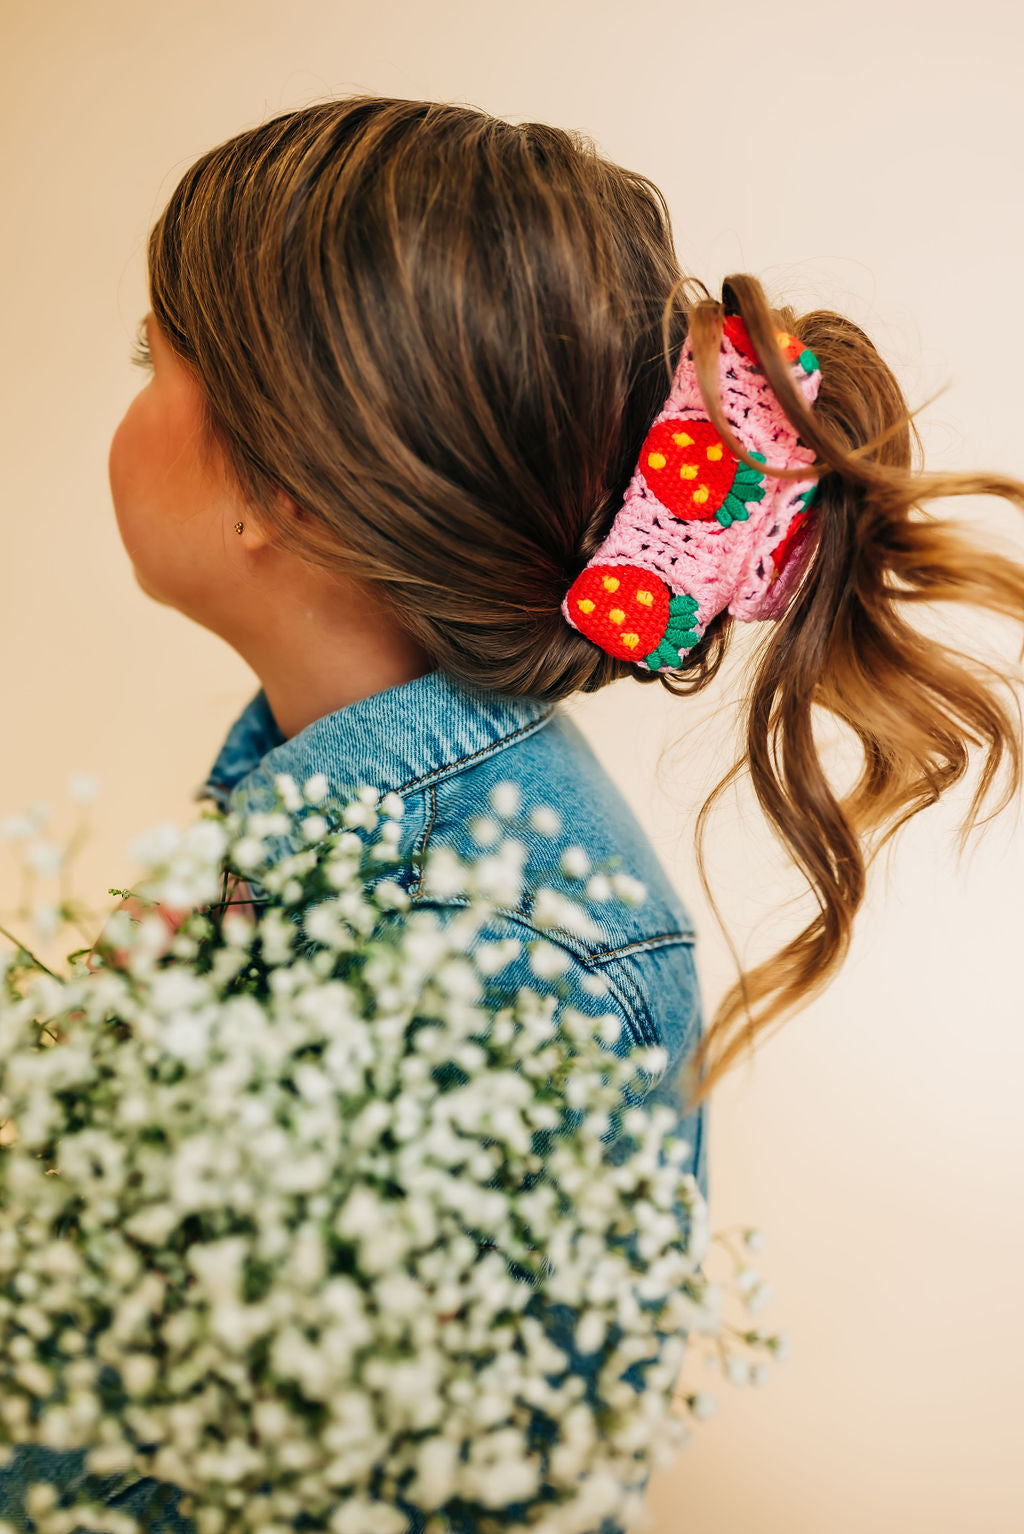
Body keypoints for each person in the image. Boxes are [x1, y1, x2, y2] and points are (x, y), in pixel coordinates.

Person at [4, 92, 1024, 1534]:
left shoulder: (506, 958)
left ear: (278, 486)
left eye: (147, 359)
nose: (124, 395)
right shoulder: (319, 806)